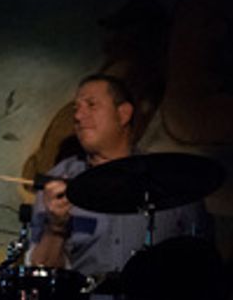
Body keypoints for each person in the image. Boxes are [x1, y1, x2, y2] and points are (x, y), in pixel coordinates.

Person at [29, 73, 211, 277]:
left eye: (91, 105)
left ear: (123, 114)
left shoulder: (169, 179)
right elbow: (41, 273)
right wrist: (55, 228)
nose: (78, 116)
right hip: (86, 297)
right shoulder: (57, 181)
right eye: (76, 109)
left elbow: (202, 264)